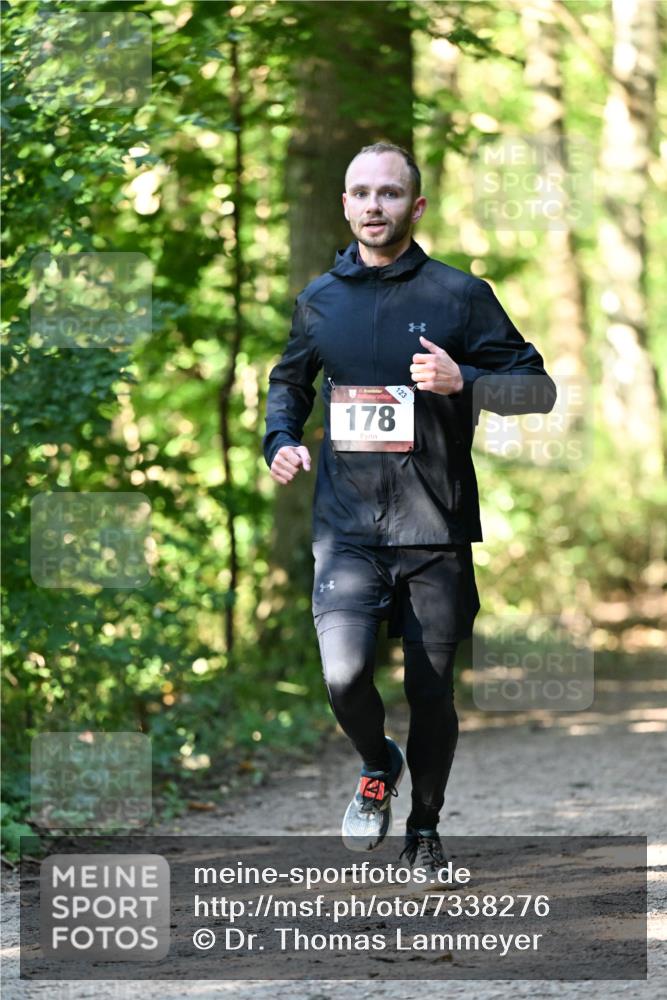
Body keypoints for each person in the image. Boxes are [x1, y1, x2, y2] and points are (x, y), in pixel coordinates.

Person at [263, 142, 556, 873]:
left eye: (388, 193)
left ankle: (423, 830)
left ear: (414, 206)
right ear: (343, 203)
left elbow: (537, 388)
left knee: (431, 692)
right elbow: (290, 384)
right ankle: (376, 760)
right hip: (347, 531)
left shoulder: (458, 296)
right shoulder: (317, 300)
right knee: (342, 675)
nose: (373, 205)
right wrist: (279, 439)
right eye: (360, 192)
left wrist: (469, 381)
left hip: (435, 530)